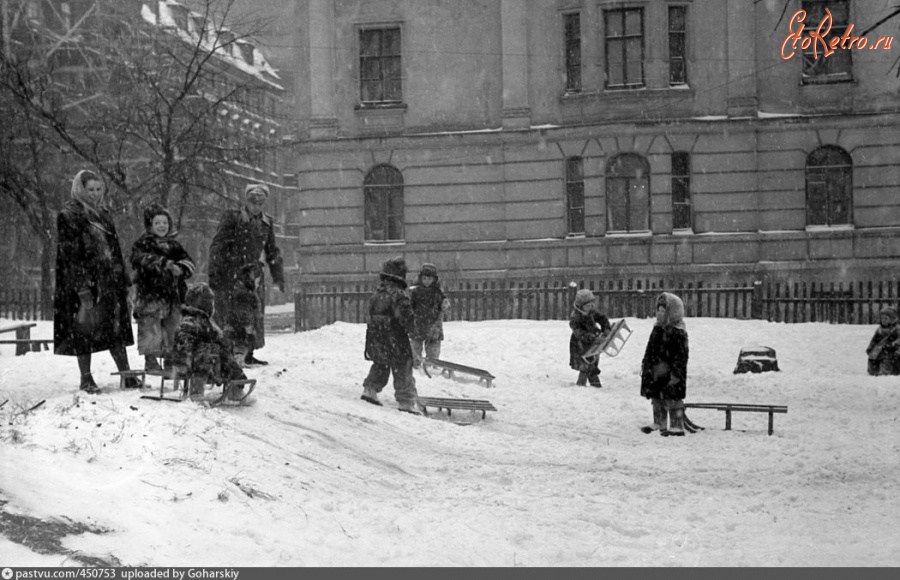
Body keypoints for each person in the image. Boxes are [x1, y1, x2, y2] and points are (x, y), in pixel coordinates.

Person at [53, 170, 138, 393]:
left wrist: (124, 279)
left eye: (98, 189)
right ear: (80, 189)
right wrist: (81, 287)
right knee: (84, 329)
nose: (95, 194)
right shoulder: (69, 215)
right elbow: (70, 255)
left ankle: (126, 374)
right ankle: (86, 378)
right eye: (90, 189)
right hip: (85, 282)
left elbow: (115, 249)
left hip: (109, 280)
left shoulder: (104, 214)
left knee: (115, 327)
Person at [208, 182, 285, 366]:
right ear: (246, 201)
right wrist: (215, 272)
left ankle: (248, 350)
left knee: (254, 313)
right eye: (253, 201)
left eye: (260, 202)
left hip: (253, 277)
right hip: (231, 274)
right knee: (229, 314)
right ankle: (227, 353)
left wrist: (278, 275)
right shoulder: (233, 218)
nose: (256, 206)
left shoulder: (266, 222)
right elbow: (218, 245)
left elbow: (272, 250)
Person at [130, 203, 195, 371]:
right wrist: (163, 263)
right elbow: (138, 259)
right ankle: (150, 359)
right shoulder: (143, 243)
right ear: (150, 225)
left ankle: (170, 358)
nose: (162, 226)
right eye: (157, 223)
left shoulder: (174, 245)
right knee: (150, 327)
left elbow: (189, 262)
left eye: (165, 223)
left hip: (173, 295)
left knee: (172, 327)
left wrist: (181, 269)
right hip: (150, 293)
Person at [360, 257, 421, 414]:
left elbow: (370, 315)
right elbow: (406, 318)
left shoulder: (376, 294)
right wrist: (414, 331)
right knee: (403, 367)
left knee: (381, 363)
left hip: (377, 336)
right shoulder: (399, 296)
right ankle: (406, 401)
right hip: (395, 338)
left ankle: (370, 389)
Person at [172, 283, 247, 400]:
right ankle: (196, 392)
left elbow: (217, 340)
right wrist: (186, 359)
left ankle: (236, 387)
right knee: (208, 352)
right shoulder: (190, 322)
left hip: (205, 361)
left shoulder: (206, 322)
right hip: (190, 362)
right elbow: (184, 344)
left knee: (224, 354)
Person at [639, 292, 690, 437]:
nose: (660, 314)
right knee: (657, 397)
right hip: (656, 371)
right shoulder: (657, 329)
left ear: (672, 313)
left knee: (673, 398)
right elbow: (650, 348)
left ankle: (676, 425)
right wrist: (645, 362)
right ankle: (659, 422)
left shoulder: (678, 332)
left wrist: (677, 372)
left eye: (663, 311)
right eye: (658, 310)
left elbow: (681, 356)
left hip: (671, 373)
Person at [409, 263, 450, 368]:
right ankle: (415, 366)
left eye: (429, 279)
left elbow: (444, 304)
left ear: (434, 279)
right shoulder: (415, 292)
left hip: (434, 325)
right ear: (420, 279)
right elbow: (409, 306)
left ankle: (431, 366)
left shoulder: (438, 292)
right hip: (417, 325)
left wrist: (444, 305)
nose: (427, 281)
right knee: (415, 349)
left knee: (433, 350)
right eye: (424, 279)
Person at [569, 289, 612, 388]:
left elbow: (602, 318)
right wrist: (593, 338)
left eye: (592, 304)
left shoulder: (591, 311)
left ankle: (582, 385)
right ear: (581, 306)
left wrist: (606, 328)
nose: (591, 307)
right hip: (579, 344)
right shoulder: (575, 317)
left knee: (590, 362)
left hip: (592, 342)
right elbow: (579, 333)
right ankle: (594, 385)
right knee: (586, 364)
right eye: (588, 305)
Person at [223, 262, 262, 367]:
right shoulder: (243, 294)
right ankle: (239, 359)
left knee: (246, 338)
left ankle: (245, 357)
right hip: (240, 327)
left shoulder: (245, 292)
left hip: (242, 324)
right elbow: (242, 313)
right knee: (242, 339)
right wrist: (246, 326)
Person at [866, 306, 900, 376]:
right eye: (882, 318)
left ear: (892, 319)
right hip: (880, 348)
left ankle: (888, 370)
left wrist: (894, 344)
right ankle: (873, 369)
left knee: (887, 358)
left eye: (886, 318)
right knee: (873, 356)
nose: (883, 320)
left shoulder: (896, 329)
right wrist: (870, 347)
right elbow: (874, 340)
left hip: (893, 349)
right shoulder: (879, 330)